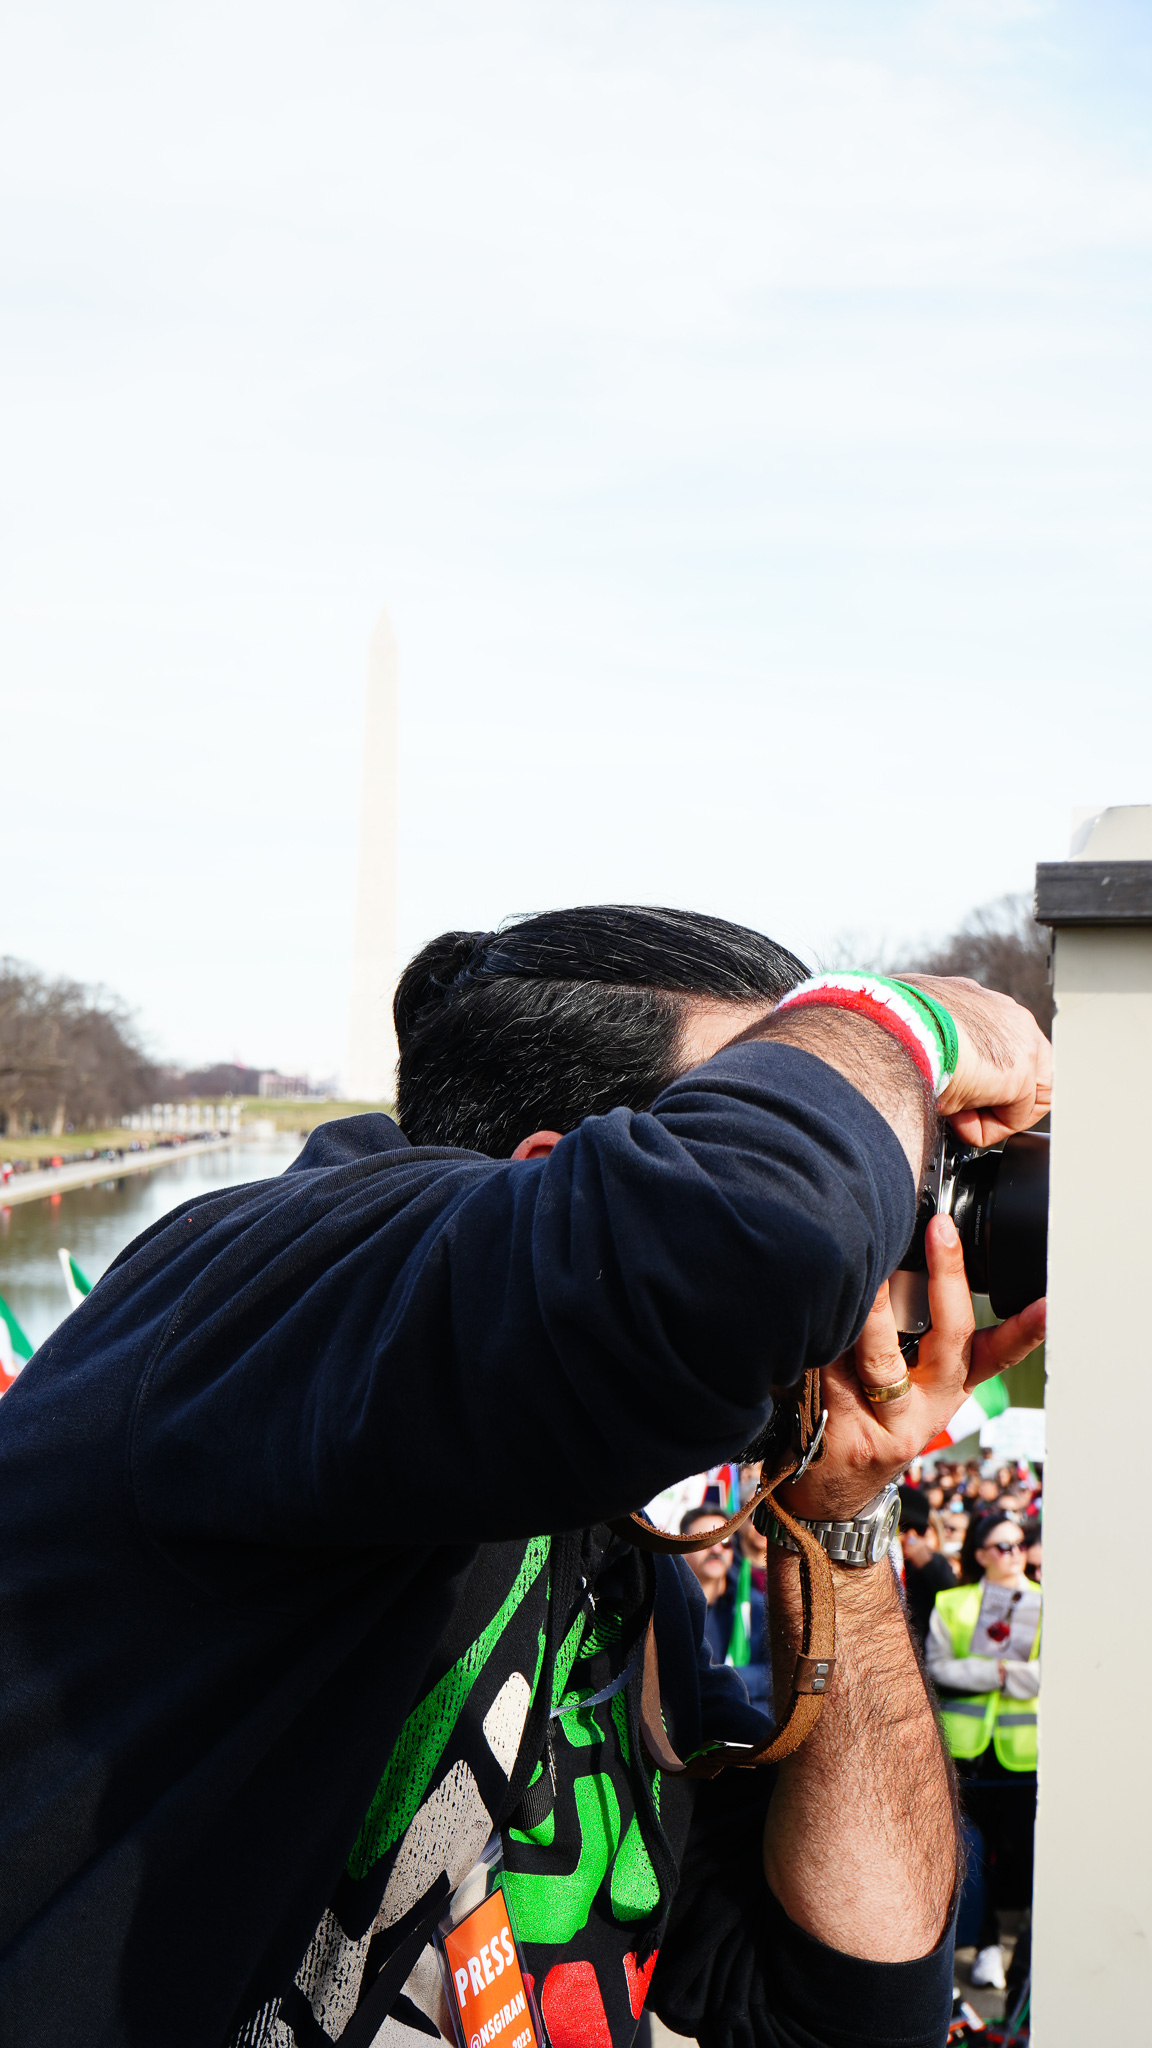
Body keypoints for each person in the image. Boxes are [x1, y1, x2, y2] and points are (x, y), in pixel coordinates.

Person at [0, 906, 1050, 2048]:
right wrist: (901, 1023)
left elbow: (850, 2007)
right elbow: (730, 1240)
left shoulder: (615, 1568)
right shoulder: (263, 1280)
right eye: (765, 1107)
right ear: (552, 1178)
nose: (869, 1224)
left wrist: (843, 1523)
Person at [926, 1512, 1040, 1996]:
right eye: (1000, 1546)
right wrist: (995, 1674)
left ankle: (997, 1947)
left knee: (1016, 1853)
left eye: (1017, 1545)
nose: (1012, 1554)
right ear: (979, 1554)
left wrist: (992, 1673)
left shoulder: (1049, 1603)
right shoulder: (952, 1602)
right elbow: (938, 1667)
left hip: (1021, 1754)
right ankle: (975, 1942)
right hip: (966, 1750)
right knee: (965, 1852)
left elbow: (1043, 1676)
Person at [679, 1506, 770, 1708]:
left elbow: (775, 1672)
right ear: (682, 1550)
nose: (716, 1549)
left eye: (725, 1541)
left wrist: (720, 1678)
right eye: (705, 1539)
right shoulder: (668, 1611)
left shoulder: (756, 1606)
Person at [897, 1487, 957, 1651]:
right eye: (902, 1526)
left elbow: (951, 1596)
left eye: (920, 1530)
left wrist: (928, 1565)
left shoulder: (934, 1563)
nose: (911, 1536)